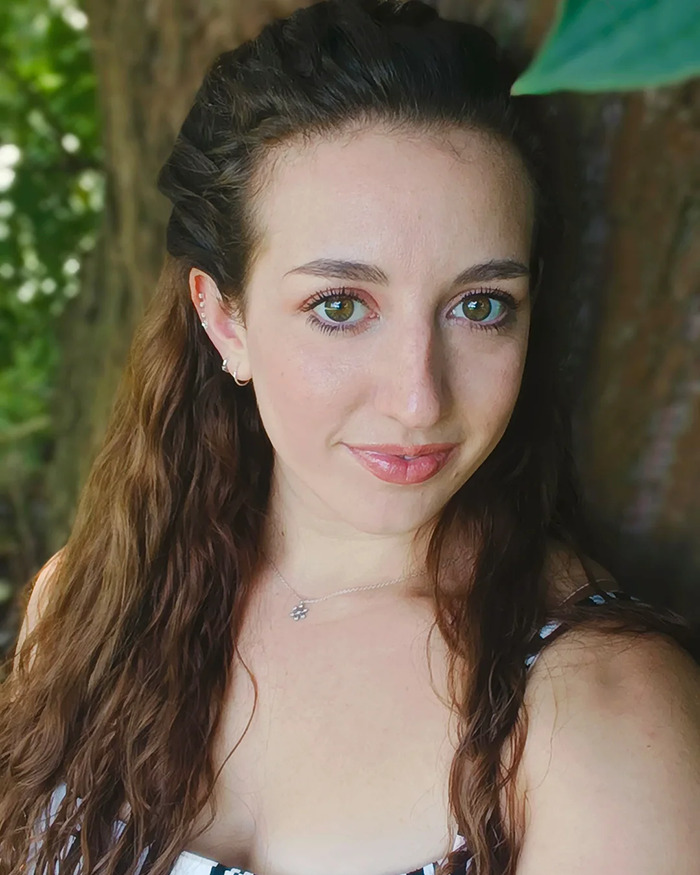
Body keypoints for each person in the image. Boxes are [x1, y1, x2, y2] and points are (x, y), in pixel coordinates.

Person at [2, 0, 700, 873]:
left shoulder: (598, 709)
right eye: (339, 307)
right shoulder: (87, 607)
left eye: (480, 306)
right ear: (225, 322)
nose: (418, 397)